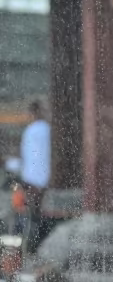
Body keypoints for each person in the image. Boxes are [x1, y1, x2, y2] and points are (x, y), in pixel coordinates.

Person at [19, 101, 51, 253]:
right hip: (41, 180)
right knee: (36, 215)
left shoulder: (32, 130)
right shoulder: (46, 130)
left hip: (33, 180)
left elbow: (32, 159)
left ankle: (31, 249)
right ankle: (34, 248)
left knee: (33, 216)